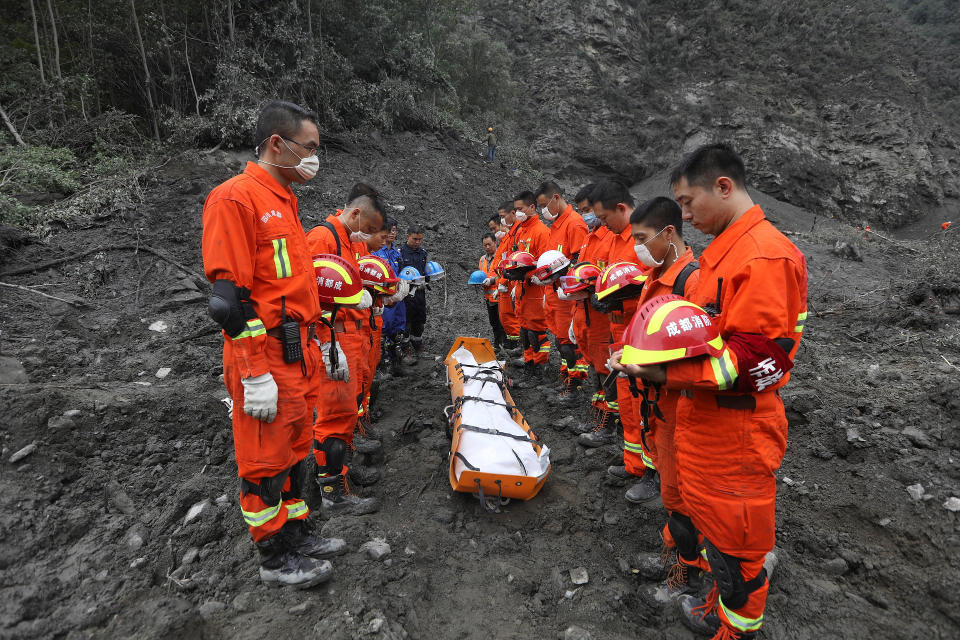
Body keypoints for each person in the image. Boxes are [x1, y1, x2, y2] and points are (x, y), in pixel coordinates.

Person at [612, 144, 808, 639]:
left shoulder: (763, 257)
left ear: (723, 187)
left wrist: (663, 375)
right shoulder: (723, 256)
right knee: (705, 522)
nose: (685, 214)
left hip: (735, 427)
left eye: (689, 202)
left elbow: (757, 360)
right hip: (702, 417)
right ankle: (708, 594)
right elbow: (697, 340)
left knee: (737, 545)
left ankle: (734, 628)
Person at [201, 100, 344, 588]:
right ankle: (274, 557)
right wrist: (253, 371)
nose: (315, 159)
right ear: (277, 144)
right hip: (265, 359)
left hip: (299, 352)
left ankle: (297, 532)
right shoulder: (235, 199)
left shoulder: (284, 199)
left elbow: (292, 287)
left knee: (296, 450)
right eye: (310, 148)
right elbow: (228, 303)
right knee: (264, 461)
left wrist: (325, 343)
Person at [305, 185, 385, 516]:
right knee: (334, 417)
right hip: (335, 338)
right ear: (355, 214)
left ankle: (343, 474)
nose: (366, 238)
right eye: (366, 230)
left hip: (349, 335)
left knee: (346, 412)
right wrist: (326, 342)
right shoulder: (323, 239)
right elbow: (310, 294)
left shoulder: (344, 241)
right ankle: (333, 492)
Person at [535, 181, 588, 393]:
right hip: (554, 292)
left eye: (544, 204)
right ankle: (566, 377)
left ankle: (575, 385)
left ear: (556, 197)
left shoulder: (574, 224)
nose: (542, 210)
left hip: (566, 296)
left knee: (568, 342)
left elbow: (579, 262)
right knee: (560, 340)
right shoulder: (556, 225)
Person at [510, 190, 552, 383]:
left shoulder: (541, 231)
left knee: (536, 332)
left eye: (521, 209)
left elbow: (546, 265)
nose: (517, 212)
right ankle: (529, 365)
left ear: (532, 207)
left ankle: (540, 368)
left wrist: (527, 274)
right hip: (522, 290)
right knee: (525, 331)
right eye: (516, 209)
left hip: (535, 290)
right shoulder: (521, 230)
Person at [375, 217, 406, 376]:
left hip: (398, 297)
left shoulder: (396, 253)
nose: (392, 234)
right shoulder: (376, 252)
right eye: (390, 230)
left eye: (395, 230)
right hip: (383, 297)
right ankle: (380, 367)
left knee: (397, 330)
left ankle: (396, 365)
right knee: (382, 330)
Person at [400, 225, 429, 364]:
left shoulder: (422, 253)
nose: (417, 242)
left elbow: (424, 272)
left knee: (420, 321)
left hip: (420, 293)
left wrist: (429, 278)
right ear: (407, 237)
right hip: (406, 294)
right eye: (415, 239)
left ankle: (418, 347)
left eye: (420, 239)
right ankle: (405, 349)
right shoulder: (400, 253)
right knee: (406, 321)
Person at [479, 232, 508, 349]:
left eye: (489, 244)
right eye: (485, 245)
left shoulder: (500, 257)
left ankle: (505, 346)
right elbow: (481, 275)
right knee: (494, 323)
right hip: (488, 298)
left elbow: (504, 275)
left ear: (495, 243)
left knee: (503, 324)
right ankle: (497, 345)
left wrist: (492, 281)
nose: (487, 247)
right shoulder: (482, 260)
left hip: (500, 296)